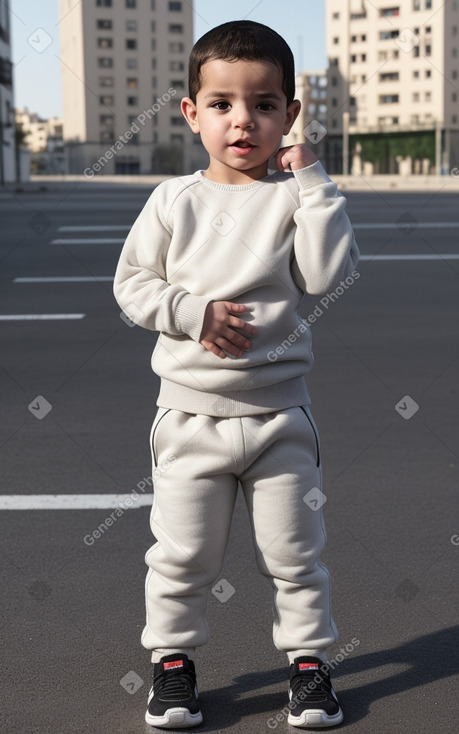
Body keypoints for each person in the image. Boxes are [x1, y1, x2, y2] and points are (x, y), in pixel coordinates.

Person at [113, 19, 359, 730]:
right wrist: (191, 313)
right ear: (191, 113)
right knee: (182, 555)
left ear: (289, 113)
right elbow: (131, 285)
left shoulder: (294, 196)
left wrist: (313, 181)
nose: (242, 120)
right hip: (188, 419)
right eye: (220, 103)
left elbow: (326, 273)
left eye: (262, 103)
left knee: (295, 555)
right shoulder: (173, 200)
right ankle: (172, 665)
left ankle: (309, 667)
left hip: (282, 419)